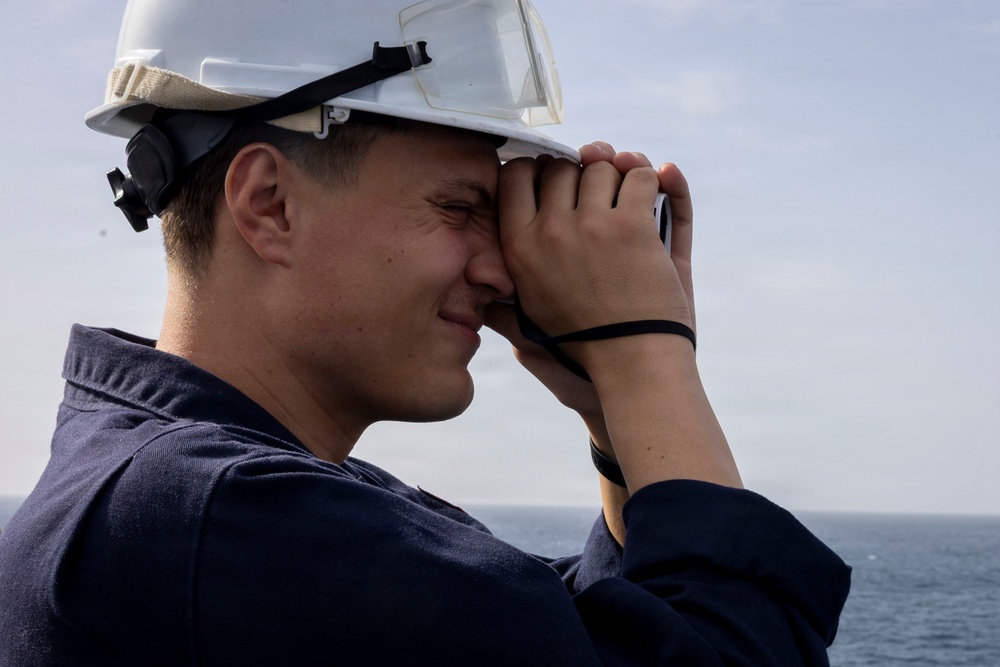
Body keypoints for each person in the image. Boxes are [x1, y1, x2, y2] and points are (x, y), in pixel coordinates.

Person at [0, 0, 851, 664]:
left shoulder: (203, 498)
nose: (499, 266)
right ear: (271, 205)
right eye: (458, 208)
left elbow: (572, 635)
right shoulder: (212, 520)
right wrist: (647, 356)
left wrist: (614, 415)